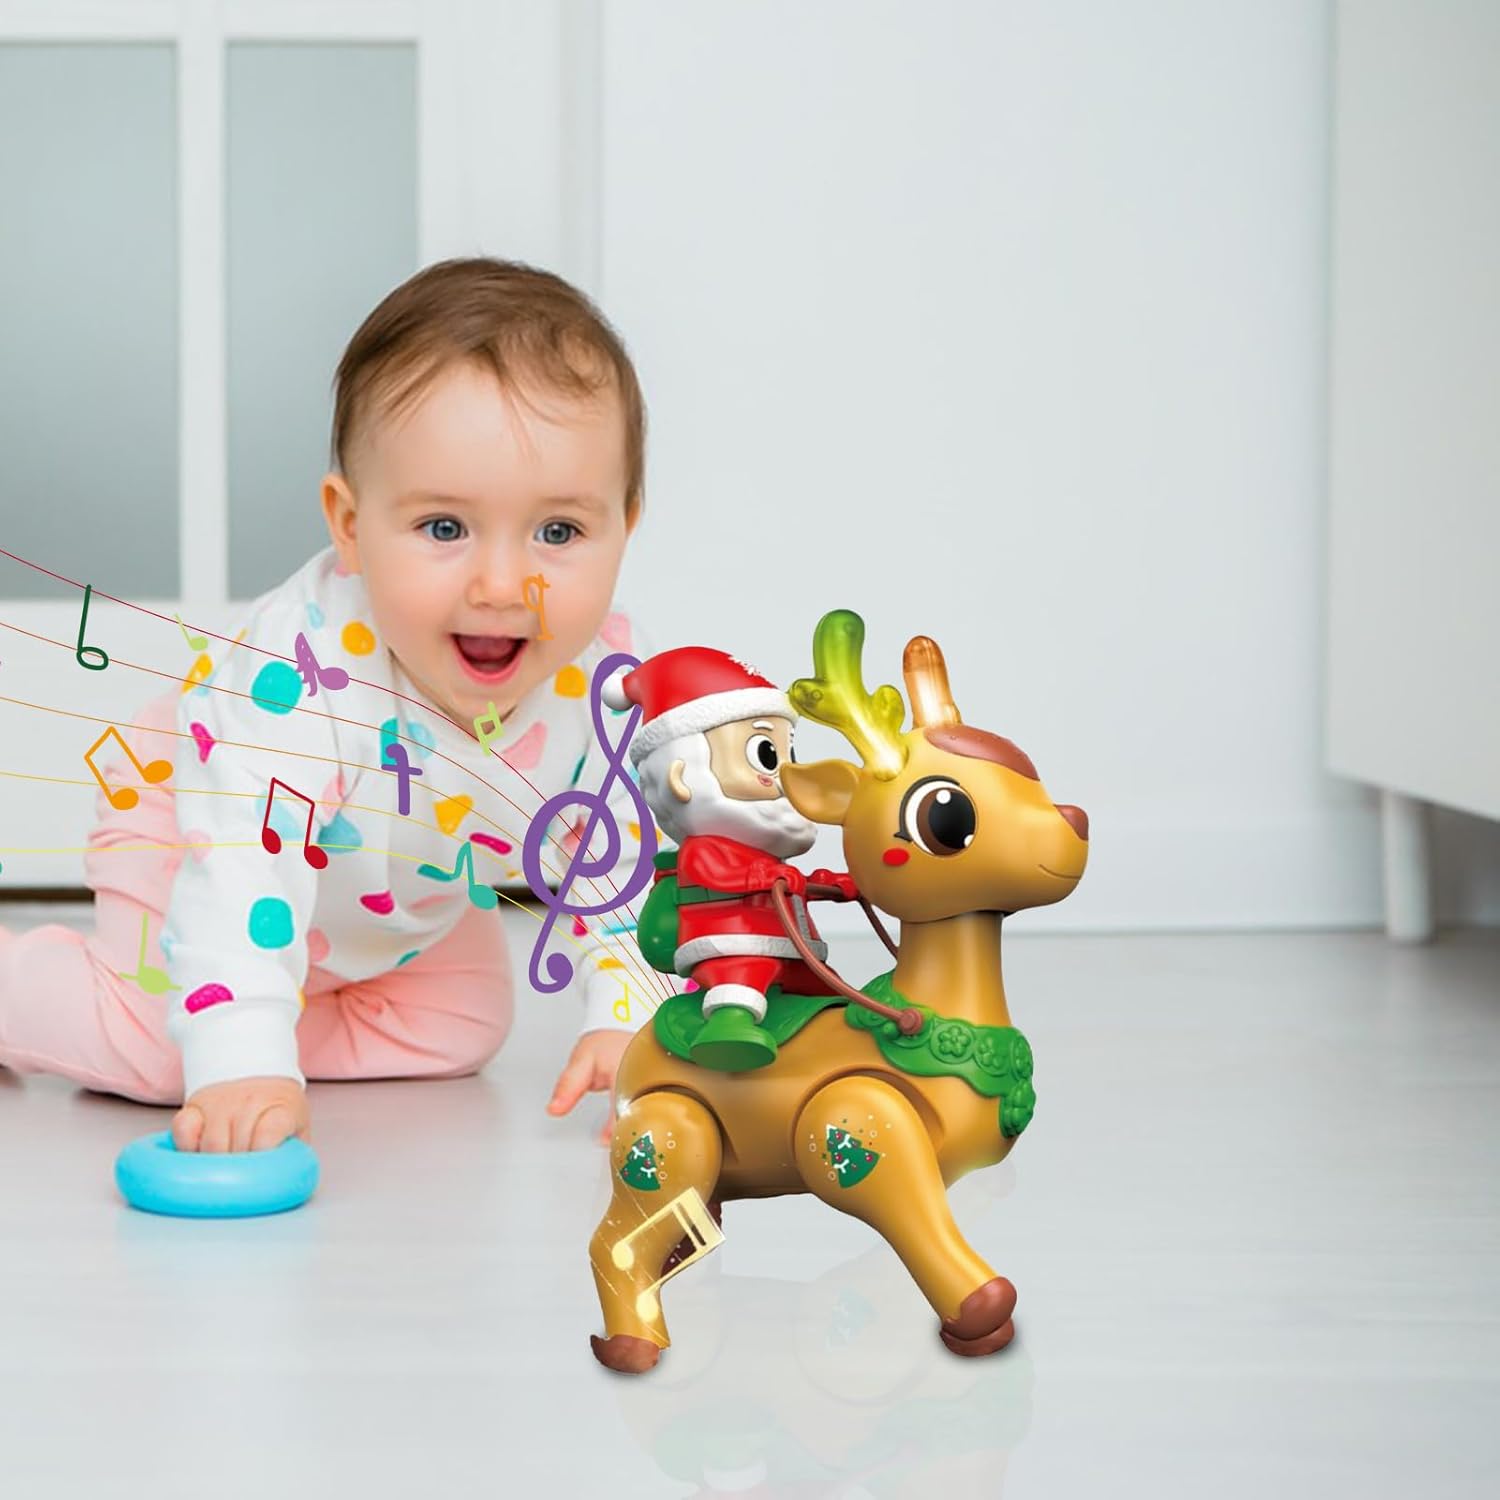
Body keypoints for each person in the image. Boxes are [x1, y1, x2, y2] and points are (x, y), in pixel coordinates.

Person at [0, 257, 666, 1152]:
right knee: (166, 1057)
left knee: (463, 1028)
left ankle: (277, 1000)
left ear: (625, 523)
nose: (504, 586)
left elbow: (613, 862)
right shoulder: (307, 669)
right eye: (444, 528)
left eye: (559, 531)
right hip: (194, 829)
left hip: (392, 900)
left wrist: (630, 1018)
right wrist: (240, 1057)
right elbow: (247, 862)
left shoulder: (607, 683)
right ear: (350, 527)